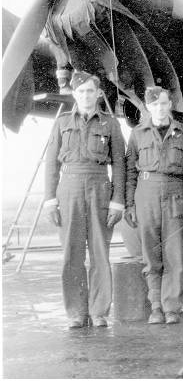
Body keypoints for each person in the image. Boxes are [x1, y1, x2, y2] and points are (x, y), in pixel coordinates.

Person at [44, 70, 125, 328]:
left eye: (91, 91)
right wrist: (49, 199)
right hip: (69, 189)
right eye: (81, 91)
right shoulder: (61, 123)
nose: (86, 95)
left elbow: (120, 166)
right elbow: (51, 165)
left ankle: (99, 311)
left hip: (99, 186)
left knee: (100, 252)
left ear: (98, 93)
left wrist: (118, 200)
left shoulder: (110, 124)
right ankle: (77, 312)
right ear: (75, 94)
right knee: (72, 253)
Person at [124, 87, 183, 325]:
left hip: (175, 193)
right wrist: (129, 204)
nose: (160, 108)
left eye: (164, 104)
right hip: (146, 194)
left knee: (174, 255)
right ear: (148, 107)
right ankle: (156, 306)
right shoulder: (137, 134)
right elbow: (130, 172)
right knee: (151, 256)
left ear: (170, 105)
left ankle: (172, 307)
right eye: (155, 105)